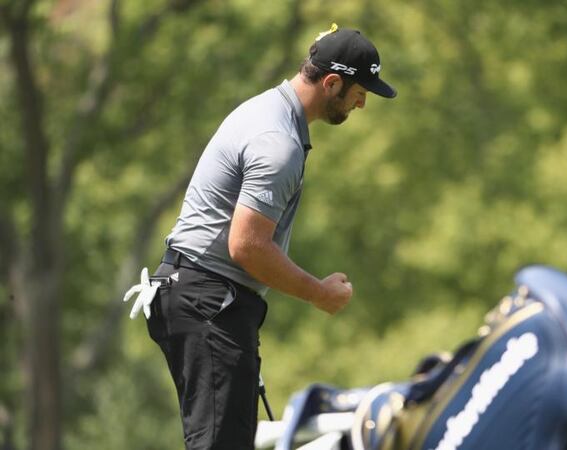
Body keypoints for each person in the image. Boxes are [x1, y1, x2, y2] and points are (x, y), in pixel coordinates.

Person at [144, 24, 397, 449]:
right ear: (332, 82)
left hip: (200, 295)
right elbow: (246, 246)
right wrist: (317, 292)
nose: (362, 103)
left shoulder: (269, 111)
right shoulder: (278, 141)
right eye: (359, 91)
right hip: (210, 300)